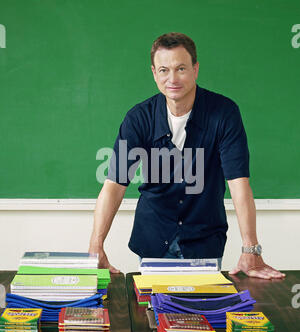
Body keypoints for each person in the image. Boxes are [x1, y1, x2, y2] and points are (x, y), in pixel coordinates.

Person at [89, 32, 285, 280]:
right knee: (153, 314)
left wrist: (251, 249)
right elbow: (114, 185)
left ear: (195, 69)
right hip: (152, 240)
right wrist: (96, 244)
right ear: (154, 73)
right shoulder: (138, 118)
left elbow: (238, 184)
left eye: (181, 68)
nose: (172, 79)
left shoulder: (224, 113)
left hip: (204, 241)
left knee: (201, 315)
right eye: (163, 70)